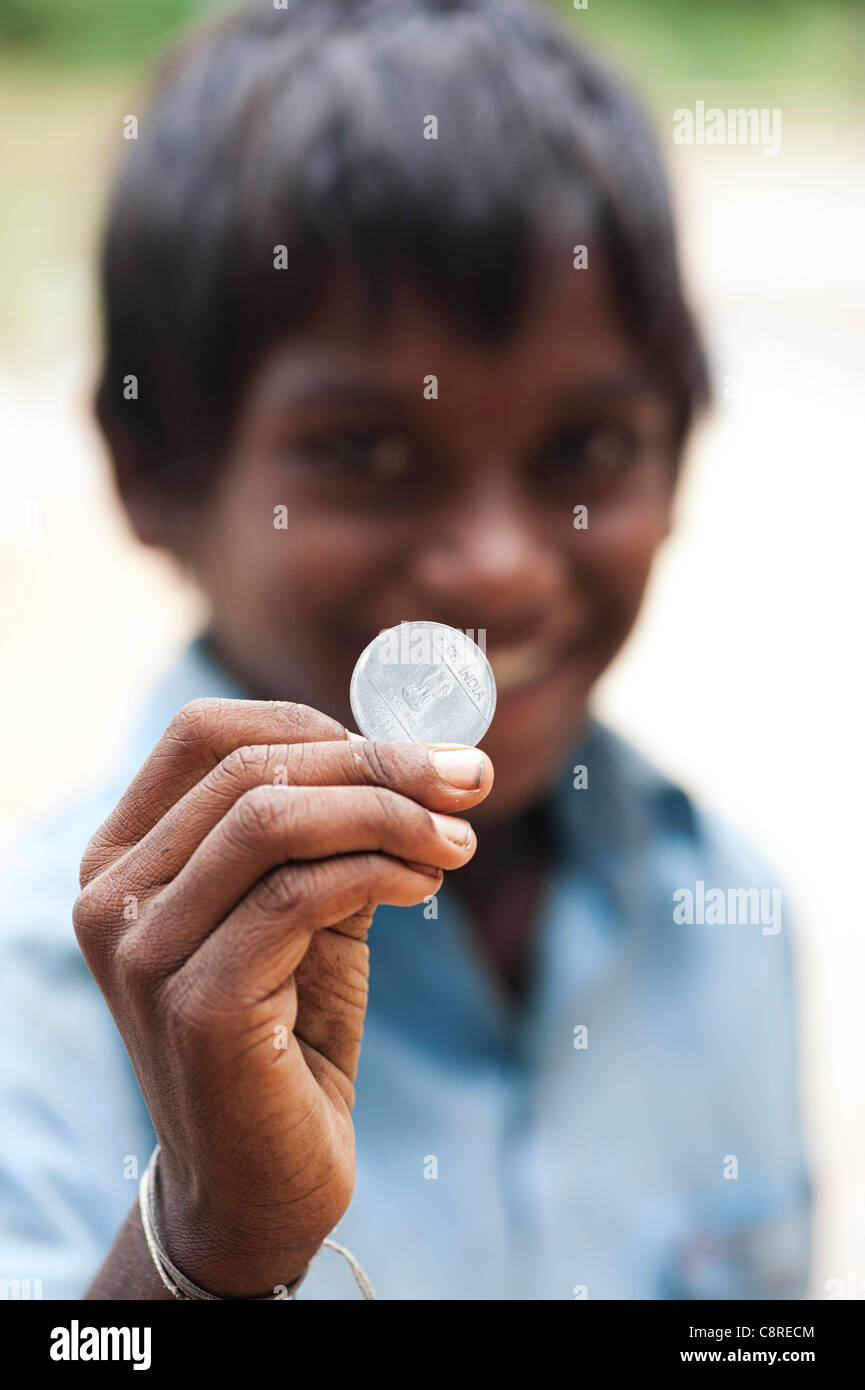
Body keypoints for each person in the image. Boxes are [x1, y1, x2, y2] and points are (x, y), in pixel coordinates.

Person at [0, 0, 811, 1300]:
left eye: (584, 447)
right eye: (366, 452)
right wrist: (210, 1246)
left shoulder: (728, 918)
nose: (494, 562)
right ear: (151, 468)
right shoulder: (35, 992)